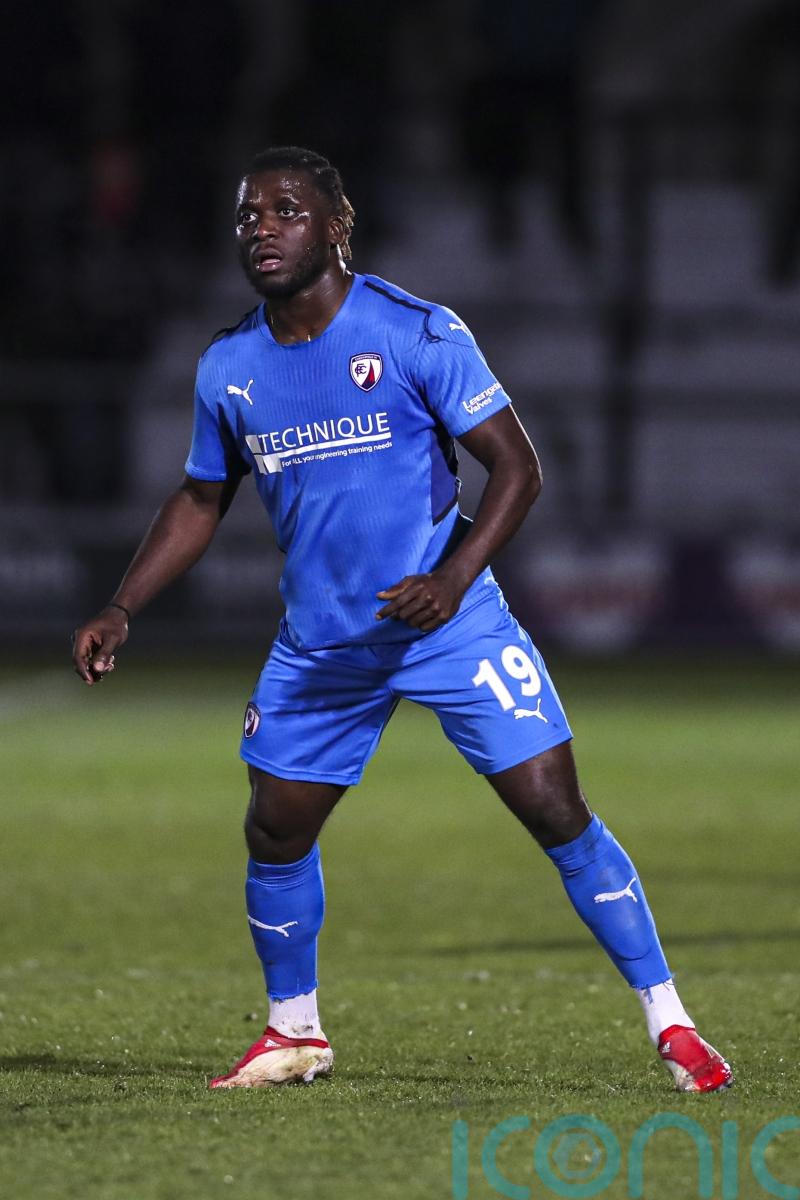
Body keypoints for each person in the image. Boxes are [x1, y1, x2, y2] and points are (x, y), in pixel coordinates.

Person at [72, 146, 732, 1093]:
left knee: (555, 809)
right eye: (247, 214)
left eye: (286, 210)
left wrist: (456, 578)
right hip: (324, 644)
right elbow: (200, 497)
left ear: (337, 225)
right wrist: (122, 603)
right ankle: (294, 1031)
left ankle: (672, 1022)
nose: (261, 227)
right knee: (275, 828)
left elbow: (517, 466)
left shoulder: (415, 330)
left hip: (448, 623)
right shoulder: (230, 368)